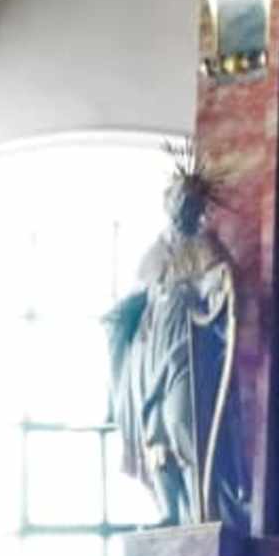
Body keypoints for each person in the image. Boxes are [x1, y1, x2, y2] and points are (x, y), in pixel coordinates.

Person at [104, 153, 248, 529]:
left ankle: (201, 508)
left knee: (182, 421)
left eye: (190, 202)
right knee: (156, 432)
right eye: (178, 200)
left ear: (198, 209)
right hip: (150, 349)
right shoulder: (154, 253)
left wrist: (217, 286)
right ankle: (169, 511)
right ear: (168, 204)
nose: (182, 207)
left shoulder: (206, 248)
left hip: (185, 345)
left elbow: (219, 291)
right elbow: (139, 295)